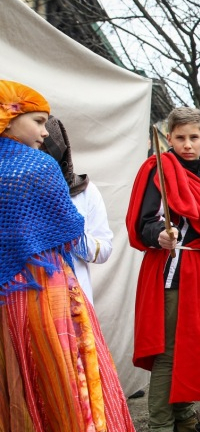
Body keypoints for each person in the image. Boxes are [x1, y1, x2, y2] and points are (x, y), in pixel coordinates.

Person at [0, 80, 144, 432]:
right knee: (76, 392)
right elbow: (70, 232)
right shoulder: (38, 167)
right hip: (50, 294)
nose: (45, 133)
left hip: (7, 302)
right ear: (10, 115)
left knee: (21, 395)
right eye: (38, 121)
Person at [127, 107, 200, 432]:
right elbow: (143, 223)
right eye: (180, 137)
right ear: (168, 138)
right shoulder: (157, 169)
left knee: (196, 346)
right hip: (174, 269)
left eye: (194, 137)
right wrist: (160, 234)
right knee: (169, 354)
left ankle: (185, 416)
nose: (187, 144)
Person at [40, 116, 113, 304]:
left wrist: (73, 234)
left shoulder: (84, 191)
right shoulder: (12, 190)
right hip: (28, 298)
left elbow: (104, 250)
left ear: (58, 150)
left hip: (74, 302)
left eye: (45, 151)